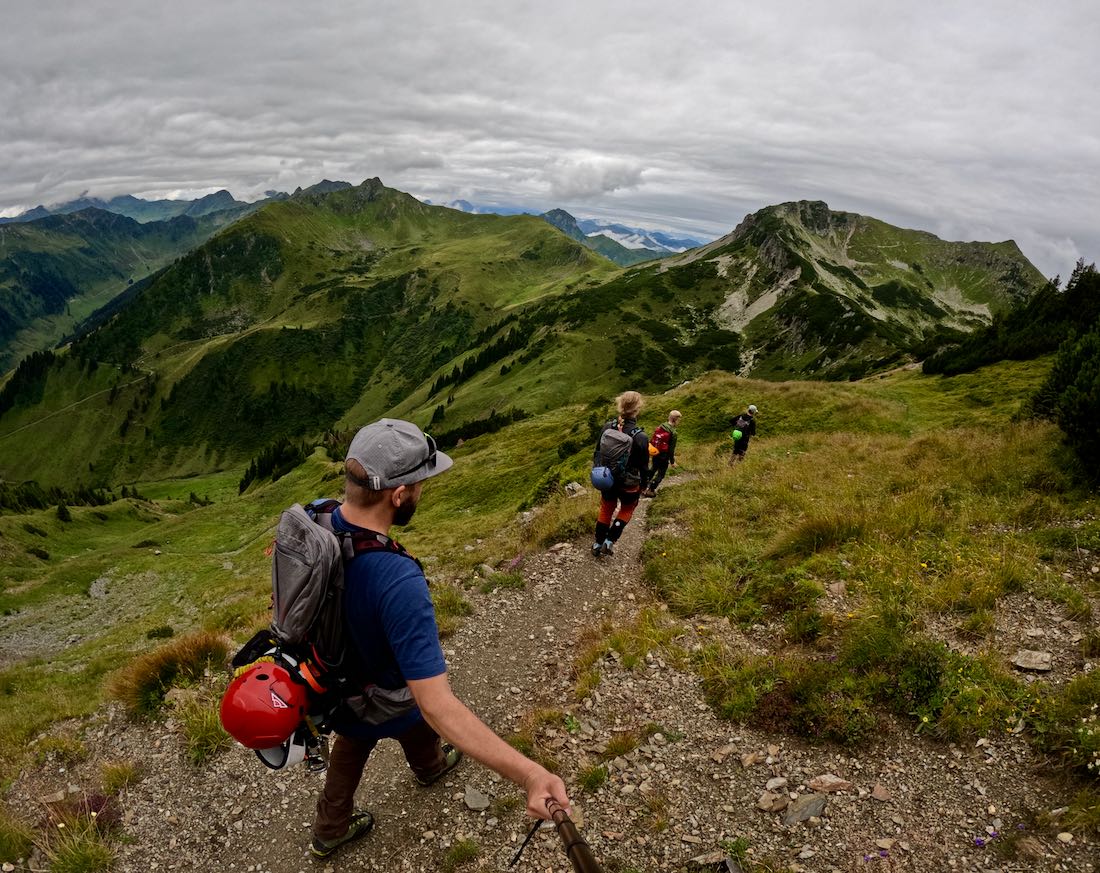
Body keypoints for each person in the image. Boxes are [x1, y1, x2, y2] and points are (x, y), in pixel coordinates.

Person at [311, 419, 569, 859]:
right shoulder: (398, 580)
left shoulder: (316, 521)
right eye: (419, 484)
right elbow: (438, 705)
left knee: (350, 749)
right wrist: (529, 774)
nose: (421, 491)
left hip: (334, 687)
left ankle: (329, 831)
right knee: (416, 716)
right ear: (398, 495)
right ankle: (430, 766)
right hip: (389, 695)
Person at [591, 391, 649, 558]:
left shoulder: (607, 427)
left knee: (606, 508)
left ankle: (597, 543)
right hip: (629, 483)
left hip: (607, 479)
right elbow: (644, 466)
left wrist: (599, 471)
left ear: (620, 405)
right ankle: (610, 541)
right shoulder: (640, 437)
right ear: (637, 409)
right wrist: (644, 485)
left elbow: (597, 453)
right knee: (627, 509)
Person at [643, 409, 681, 497]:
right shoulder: (673, 432)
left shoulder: (661, 426)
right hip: (664, 455)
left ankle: (643, 486)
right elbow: (671, 449)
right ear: (675, 419)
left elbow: (653, 439)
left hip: (656, 452)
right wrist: (672, 462)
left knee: (653, 469)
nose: (679, 422)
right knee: (661, 473)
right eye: (679, 420)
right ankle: (651, 490)